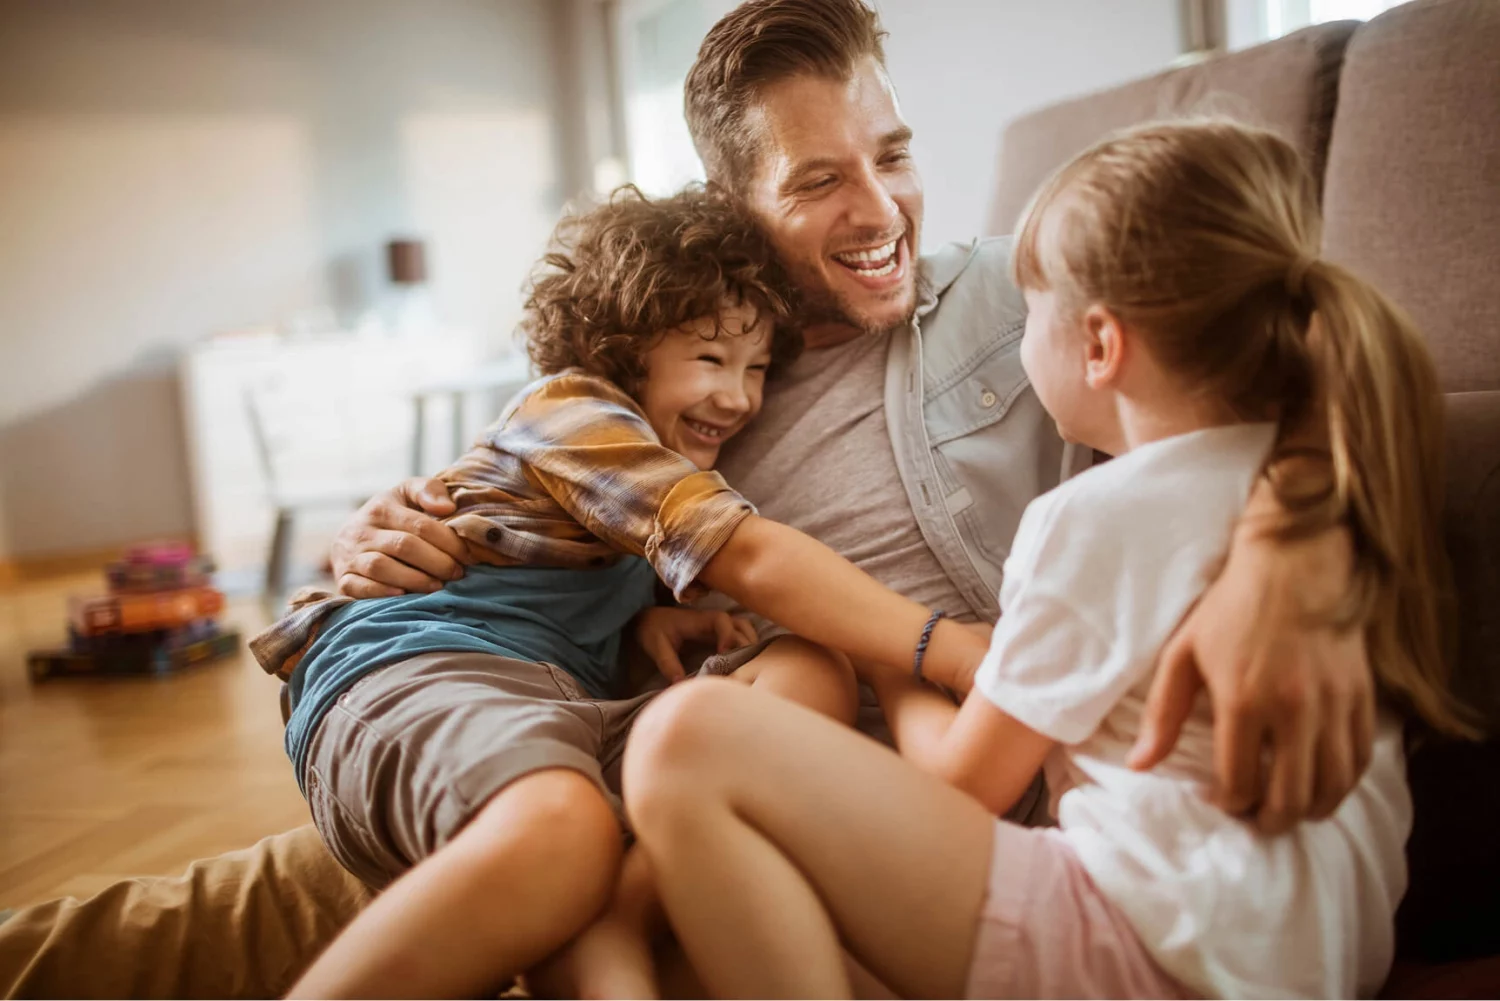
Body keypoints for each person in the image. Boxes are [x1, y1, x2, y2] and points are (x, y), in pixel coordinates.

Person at [0, 2, 1377, 996]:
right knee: (201, 923)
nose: (882, 209)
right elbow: (556, 489)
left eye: (892, 153)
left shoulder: (1021, 286)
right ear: (731, 200)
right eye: (820, 179)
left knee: (542, 868)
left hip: (913, 808)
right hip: (612, 743)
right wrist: (401, 525)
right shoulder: (687, 383)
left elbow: (1306, 322)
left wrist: (1288, 546)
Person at [619, 118, 1475, 999]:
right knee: (730, 936)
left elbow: (960, 787)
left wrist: (889, 657)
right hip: (1317, 958)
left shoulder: (1097, 518)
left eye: (1030, 313)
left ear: (1100, 346)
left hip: (1151, 945)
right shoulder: (1335, 483)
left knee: (682, 741)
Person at [270, 184, 1000, 999]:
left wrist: (640, 619)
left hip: (554, 710)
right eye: (711, 359)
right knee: (563, 830)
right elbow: (748, 556)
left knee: (810, 669)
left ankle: (615, 915)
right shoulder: (573, 408)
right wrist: (940, 642)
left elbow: (563, 560)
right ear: (622, 345)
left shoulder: (645, 460)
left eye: (757, 369)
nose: (741, 397)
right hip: (420, 671)